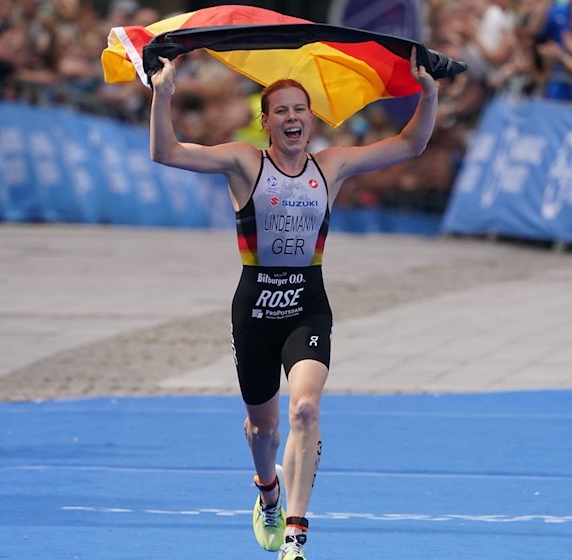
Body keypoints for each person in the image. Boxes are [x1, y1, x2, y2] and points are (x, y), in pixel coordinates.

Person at [149, 48, 438, 560]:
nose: (291, 118)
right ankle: (267, 493)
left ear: (311, 120)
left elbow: (411, 143)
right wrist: (164, 93)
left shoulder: (332, 166)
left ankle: (295, 536)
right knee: (264, 429)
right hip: (254, 311)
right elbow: (167, 152)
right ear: (266, 122)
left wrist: (429, 91)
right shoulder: (244, 162)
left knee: (305, 409)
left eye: (299, 110)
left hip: (307, 304)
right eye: (280, 110)